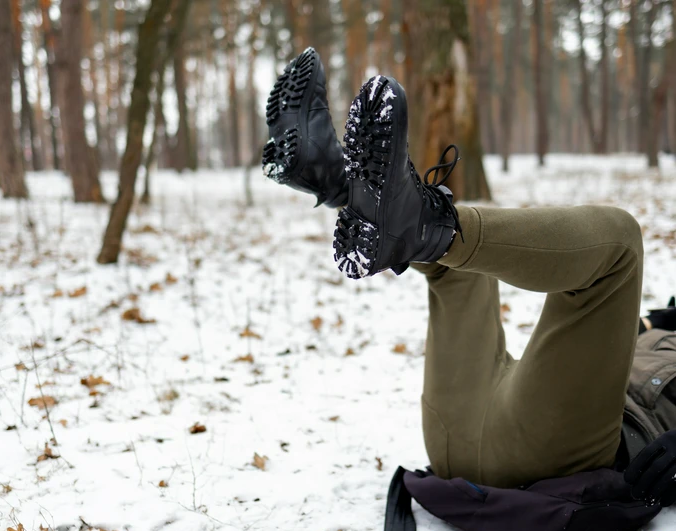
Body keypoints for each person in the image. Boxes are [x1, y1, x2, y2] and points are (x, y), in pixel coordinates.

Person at [263, 48, 676, 503]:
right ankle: (337, 179)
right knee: (460, 269)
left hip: (561, 456)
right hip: (463, 429)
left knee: (618, 246)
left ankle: (408, 218)